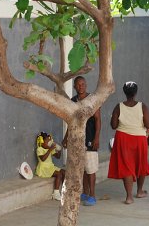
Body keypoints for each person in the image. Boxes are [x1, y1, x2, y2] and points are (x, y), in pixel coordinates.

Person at [108, 81, 149, 204]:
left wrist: (115, 117)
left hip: (123, 139)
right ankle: (139, 191)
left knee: (126, 166)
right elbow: (148, 124)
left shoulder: (119, 106)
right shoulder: (143, 106)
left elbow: (113, 125)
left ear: (124, 92)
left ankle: (129, 197)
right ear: (136, 92)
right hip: (139, 139)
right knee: (141, 164)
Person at [62, 76, 101, 206]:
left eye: (83, 84)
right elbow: (71, 122)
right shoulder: (73, 101)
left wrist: (96, 138)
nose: (81, 86)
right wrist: (66, 137)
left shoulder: (92, 100)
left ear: (86, 85)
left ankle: (93, 195)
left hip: (90, 138)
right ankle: (84, 192)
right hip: (77, 140)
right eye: (78, 85)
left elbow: (98, 120)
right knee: (82, 168)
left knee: (90, 169)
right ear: (74, 87)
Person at [35, 132, 65, 201]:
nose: (49, 143)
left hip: (51, 166)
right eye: (47, 141)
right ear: (42, 142)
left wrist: (59, 150)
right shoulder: (39, 149)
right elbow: (43, 159)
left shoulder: (49, 149)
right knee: (59, 174)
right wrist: (50, 149)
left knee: (64, 172)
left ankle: (64, 190)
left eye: (49, 141)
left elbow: (58, 157)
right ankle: (56, 193)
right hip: (43, 169)